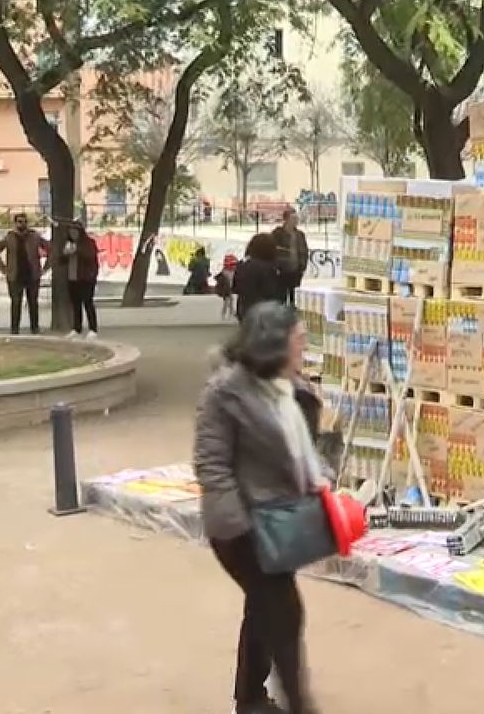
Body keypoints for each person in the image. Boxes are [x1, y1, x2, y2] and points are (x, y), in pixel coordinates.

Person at [195, 301, 328, 714]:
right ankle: (298, 705)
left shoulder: (290, 391)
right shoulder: (225, 392)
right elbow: (210, 465)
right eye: (298, 339)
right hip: (241, 529)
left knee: (263, 606)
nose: (303, 346)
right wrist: (243, 528)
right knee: (285, 614)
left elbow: (301, 454)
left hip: (280, 524)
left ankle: (250, 697)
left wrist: (321, 479)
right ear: (274, 343)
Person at [0, 212, 45, 334]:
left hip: (32, 275)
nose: (22, 224)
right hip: (15, 275)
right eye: (19, 222)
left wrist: (44, 268)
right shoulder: (10, 237)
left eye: (24, 222)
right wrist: (2, 267)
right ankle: (14, 329)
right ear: (15, 223)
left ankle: (35, 328)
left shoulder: (34, 236)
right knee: (16, 303)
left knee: (33, 302)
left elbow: (50, 248)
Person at [58, 220, 100, 339]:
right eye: (71, 232)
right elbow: (61, 261)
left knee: (88, 303)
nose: (73, 234)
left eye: (75, 231)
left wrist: (77, 250)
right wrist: (65, 254)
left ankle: (93, 329)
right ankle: (76, 328)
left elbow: (90, 256)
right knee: (75, 304)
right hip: (72, 278)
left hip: (86, 278)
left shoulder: (89, 243)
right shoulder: (68, 244)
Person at [234, 234, 284, 321]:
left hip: (244, 308)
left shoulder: (242, 264)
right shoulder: (267, 267)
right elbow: (271, 291)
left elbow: (236, 287)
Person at [270, 209, 310, 304]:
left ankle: (292, 313)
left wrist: (303, 266)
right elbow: (272, 250)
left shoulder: (300, 235)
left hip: (296, 270)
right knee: (281, 296)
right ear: (286, 219)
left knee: (294, 297)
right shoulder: (278, 233)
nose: (296, 221)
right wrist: (276, 267)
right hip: (282, 271)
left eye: (297, 218)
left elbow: (304, 251)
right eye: (293, 218)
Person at [216, 254, 238, 321]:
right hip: (226, 290)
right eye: (233, 265)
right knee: (228, 302)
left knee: (230, 301)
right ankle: (226, 314)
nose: (235, 266)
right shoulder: (226, 272)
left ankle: (230, 313)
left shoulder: (228, 272)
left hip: (228, 289)